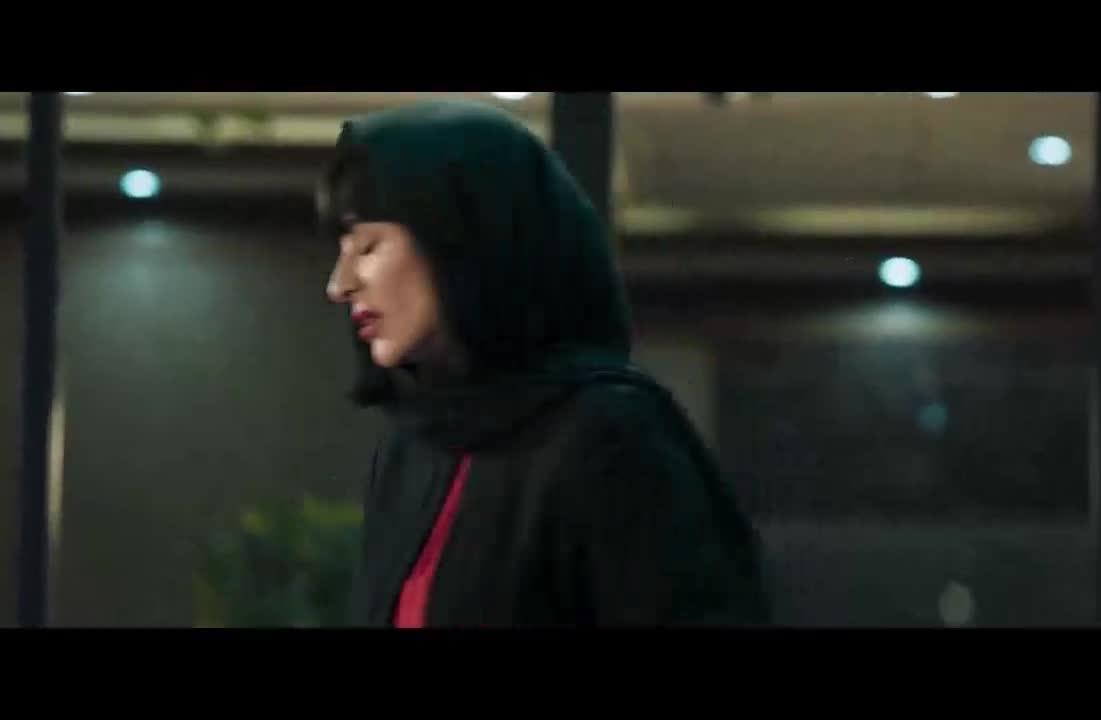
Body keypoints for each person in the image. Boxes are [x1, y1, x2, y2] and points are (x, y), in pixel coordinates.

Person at [320, 99, 770, 627]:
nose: (339, 284)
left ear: (462, 239)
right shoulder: (412, 447)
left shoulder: (608, 434)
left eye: (368, 246)